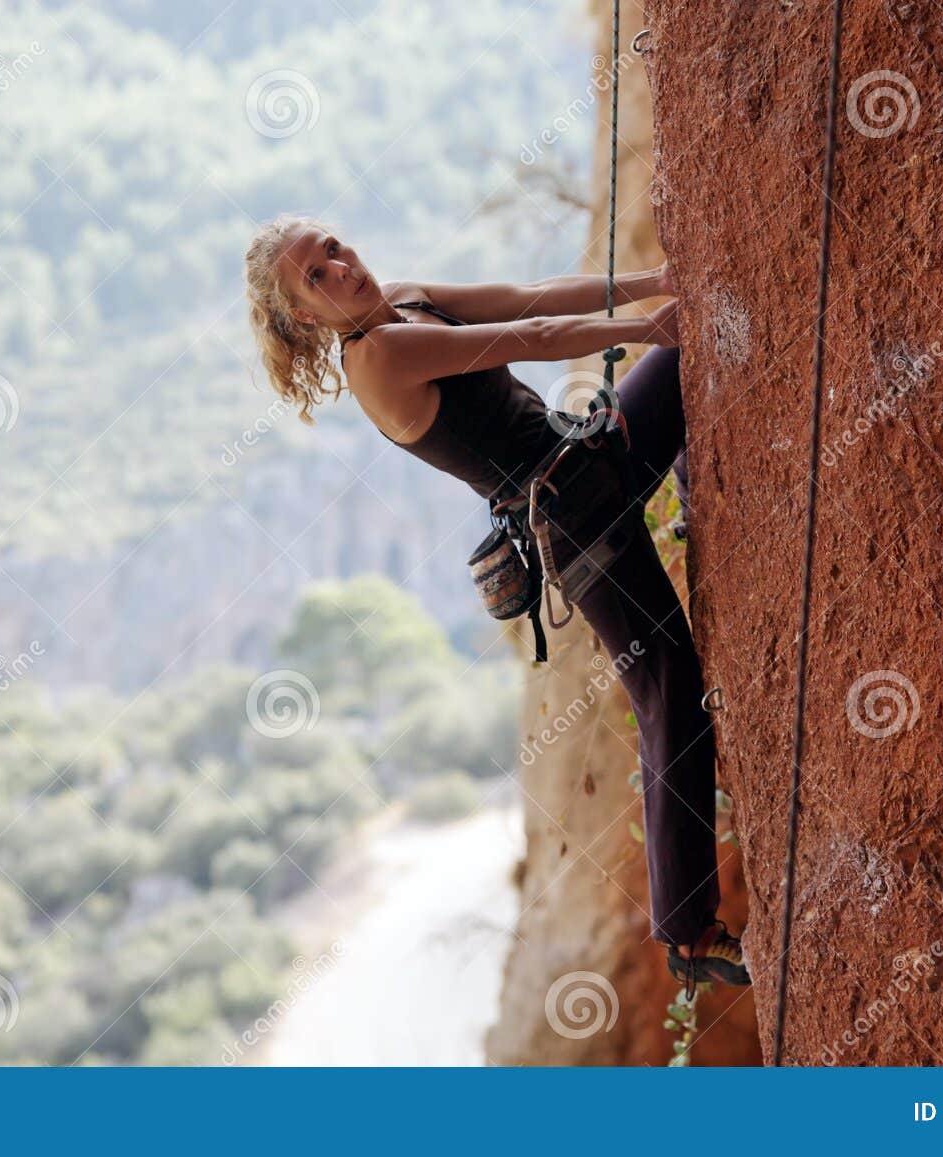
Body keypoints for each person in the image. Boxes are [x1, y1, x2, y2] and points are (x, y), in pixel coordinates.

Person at [243, 214, 749, 989]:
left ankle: (691, 492)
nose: (342, 269)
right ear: (307, 318)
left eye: (335, 249)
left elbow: (528, 293)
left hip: (593, 456)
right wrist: (645, 320)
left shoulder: (408, 301)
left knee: (681, 361)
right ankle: (688, 930)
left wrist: (655, 284)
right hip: (578, 526)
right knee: (668, 687)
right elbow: (532, 334)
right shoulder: (380, 357)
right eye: (317, 278)